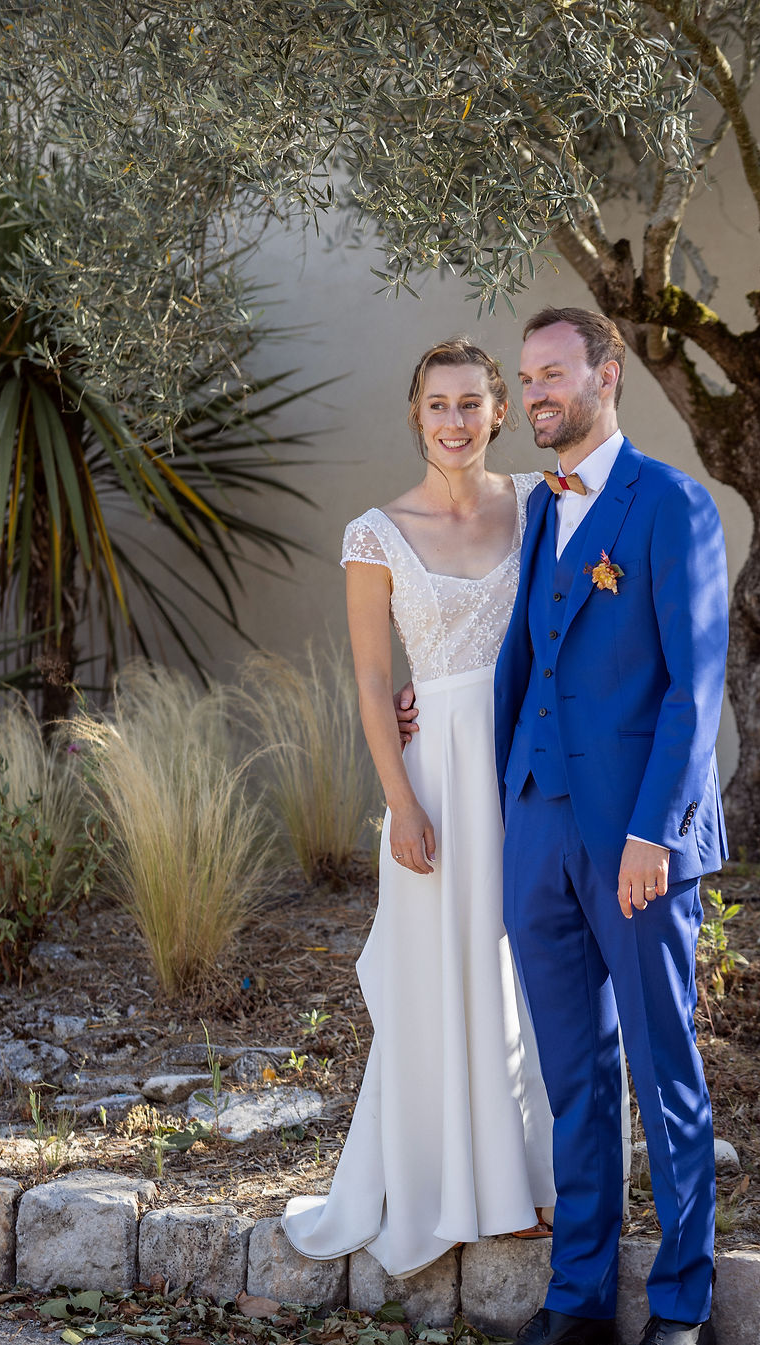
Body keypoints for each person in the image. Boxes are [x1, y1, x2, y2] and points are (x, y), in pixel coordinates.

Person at [451, 307, 729, 1345]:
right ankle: (575, 1305)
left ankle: (680, 1312)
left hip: (633, 840)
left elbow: (693, 689)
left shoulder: (671, 503)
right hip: (539, 827)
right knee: (571, 1077)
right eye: (525, 379)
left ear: (606, 376)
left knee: (664, 1073)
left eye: (552, 375)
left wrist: (655, 832)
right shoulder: (539, 508)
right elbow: (524, 660)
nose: (534, 396)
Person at [282, 339, 561, 1279]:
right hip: (434, 773)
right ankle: (462, 1185)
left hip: (528, 757)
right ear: (417, 415)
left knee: (533, 966)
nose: (454, 420)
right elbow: (373, 681)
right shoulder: (376, 533)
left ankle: (535, 1177)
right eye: (438, 404)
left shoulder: (540, 503)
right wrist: (399, 803)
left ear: (499, 412)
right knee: (445, 969)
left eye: (471, 403)